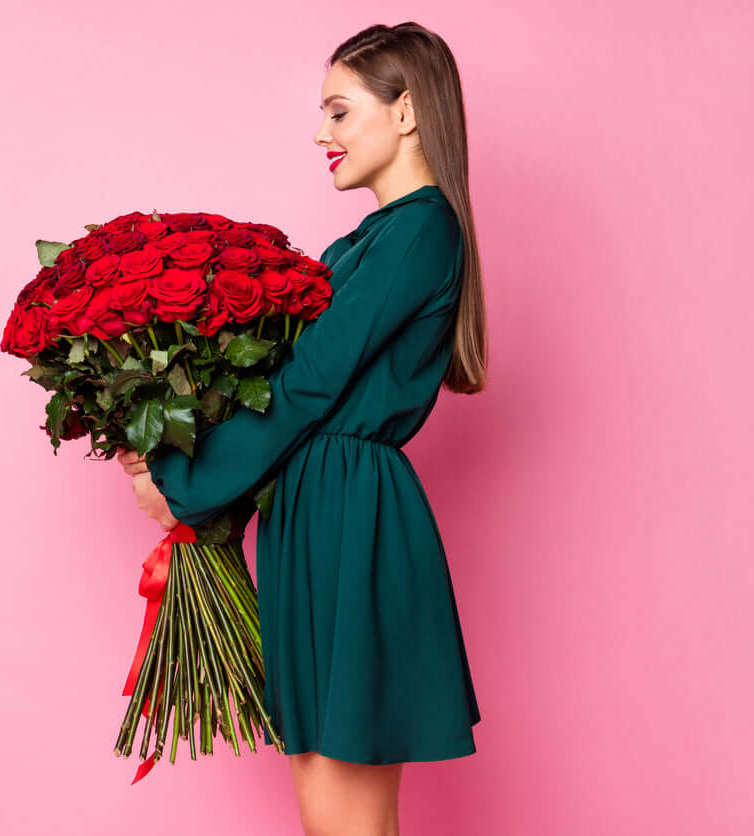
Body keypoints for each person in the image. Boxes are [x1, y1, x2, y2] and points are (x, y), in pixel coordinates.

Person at [117, 22, 486, 836]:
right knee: (331, 809)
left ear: (408, 112)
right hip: (314, 509)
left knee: (343, 815)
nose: (321, 134)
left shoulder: (422, 229)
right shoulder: (366, 241)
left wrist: (187, 489)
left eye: (339, 111)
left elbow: (310, 385)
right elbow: (290, 385)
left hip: (348, 516)